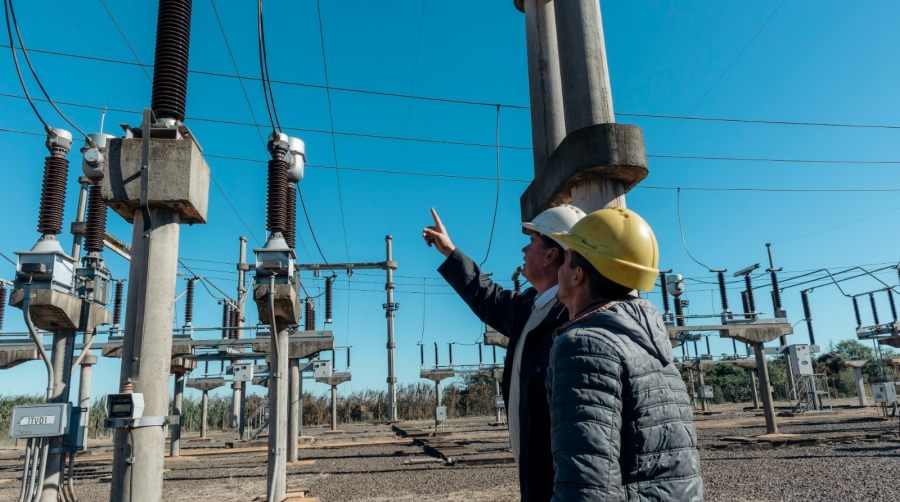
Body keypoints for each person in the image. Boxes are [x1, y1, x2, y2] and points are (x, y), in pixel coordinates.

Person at [422, 205, 585, 501]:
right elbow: (488, 297)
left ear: (551, 255)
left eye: (533, 241)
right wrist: (451, 252)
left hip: (560, 476)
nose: (524, 248)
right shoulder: (531, 307)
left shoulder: (570, 319)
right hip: (533, 470)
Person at [547, 207, 703, 501]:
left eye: (566, 260)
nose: (559, 270)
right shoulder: (651, 342)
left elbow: (588, 481)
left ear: (578, 275)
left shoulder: (584, 345)